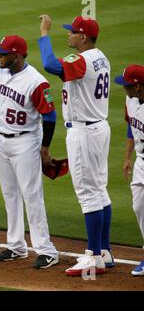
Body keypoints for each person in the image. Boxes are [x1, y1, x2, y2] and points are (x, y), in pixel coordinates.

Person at [0, 32, 59, 269]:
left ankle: (46, 250)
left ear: (16, 56)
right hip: (0, 138)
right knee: (9, 193)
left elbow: (50, 116)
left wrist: (44, 148)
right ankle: (17, 246)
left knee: (31, 195)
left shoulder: (36, 81)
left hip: (26, 141)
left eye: (3, 52)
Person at [38, 14, 114, 276]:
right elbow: (73, 78)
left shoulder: (82, 60)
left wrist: (44, 33)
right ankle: (103, 251)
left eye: (72, 32)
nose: (68, 34)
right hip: (98, 128)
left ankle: (92, 256)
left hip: (84, 132)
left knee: (88, 193)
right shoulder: (101, 57)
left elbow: (49, 64)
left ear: (83, 37)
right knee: (100, 189)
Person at [115, 64, 144, 276]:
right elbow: (130, 125)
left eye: (127, 85)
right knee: (138, 205)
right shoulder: (130, 100)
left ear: (139, 86)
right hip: (141, 160)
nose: (124, 88)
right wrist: (127, 157)